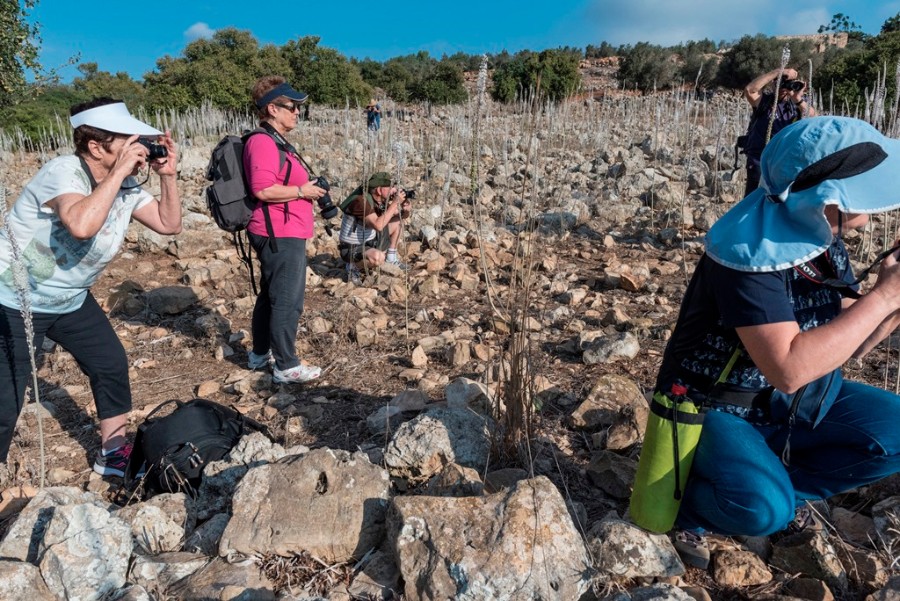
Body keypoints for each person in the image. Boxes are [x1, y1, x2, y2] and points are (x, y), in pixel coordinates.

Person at [645, 116, 900, 569]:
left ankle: (775, 485)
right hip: (713, 410)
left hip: (794, 405)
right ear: (828, 195)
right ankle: (694, 507)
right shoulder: (750, 253)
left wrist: (890, 304)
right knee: (762, 509)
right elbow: (789, 367)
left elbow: (845, 340)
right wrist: (882, 299)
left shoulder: (818, 234)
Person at [0, 97, 181, 478]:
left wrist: (167, 176)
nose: (138, 147)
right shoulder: (64, 171)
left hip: (69, 299)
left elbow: (169, 224)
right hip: (15, 299)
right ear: (96, 146)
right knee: (8, 395)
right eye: (127, 139)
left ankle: (112, 453)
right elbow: (81, 224)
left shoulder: (129, 184)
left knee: (109, 364)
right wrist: (116, 177)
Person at [243, 76, 325, 384]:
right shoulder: (263, 142)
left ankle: (260, 354)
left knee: (271, 295)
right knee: (288, 299)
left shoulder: (275, 142)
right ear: (271, 109)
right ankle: (286, 364)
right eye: (292, 107)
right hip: (279, 231)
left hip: (281, 229)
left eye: (298, 107)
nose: (297, 112)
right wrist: (303, 192)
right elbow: (262, 189)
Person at [741, 67, 816, 196]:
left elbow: (814, 119)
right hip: (759, 160)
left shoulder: (796, 105)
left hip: (784, 162)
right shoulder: (764, 101)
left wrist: (798, 99)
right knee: (753, 200)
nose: (783, 88)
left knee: (779, 201)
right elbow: (750, 90)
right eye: (779, 83)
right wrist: (778, 71)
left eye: (787, 84)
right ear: (773, 83)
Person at [338, 171, 410, 284]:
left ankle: (391, 257)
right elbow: (378, 225)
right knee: (378, 258)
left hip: (370, 240)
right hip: (352, 247)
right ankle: (353, 266)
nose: (393, 190)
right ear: (379, 190)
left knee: (397, 222)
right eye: (390, 187)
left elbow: (398, 215)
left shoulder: (379, 200)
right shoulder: (361, 201)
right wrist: (395, 203)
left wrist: (404, 209)